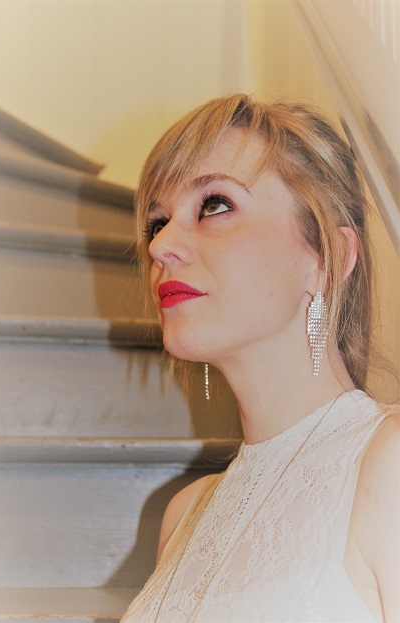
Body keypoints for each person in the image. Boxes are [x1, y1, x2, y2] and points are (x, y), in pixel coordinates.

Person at [121, 94, 399, 622]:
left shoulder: (388, 464)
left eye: (214, 205)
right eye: (157, 222)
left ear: (326, 258)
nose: (160, 247)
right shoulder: (184, 515)